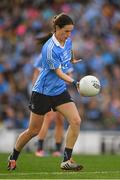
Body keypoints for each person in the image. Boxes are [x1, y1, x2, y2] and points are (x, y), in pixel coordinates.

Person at [8, 13, 83, 171]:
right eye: (66, 31)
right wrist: (75, 82)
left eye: (71, 31)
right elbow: (58, 73)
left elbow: (68, 50)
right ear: (57, 28)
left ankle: (66, 160)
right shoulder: (49, 48)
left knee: (76, 121)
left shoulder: (67, 41)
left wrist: (72, 60)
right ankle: (13, 156)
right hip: (42, 92)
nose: (68, 35)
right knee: (33, 131)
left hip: (59, 91)